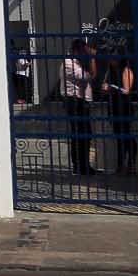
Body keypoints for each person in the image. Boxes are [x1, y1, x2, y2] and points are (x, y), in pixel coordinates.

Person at [100, 38, 138, 179]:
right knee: (119, 137)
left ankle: (131, 165)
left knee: (126, 137)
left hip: (124, 107)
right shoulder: (110, 72)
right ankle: (121, 165)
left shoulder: (126, 70)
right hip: (114, 106)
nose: (110, 60)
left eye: (113, 58)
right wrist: (105, 88)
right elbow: (103, 85)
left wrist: (112, 88)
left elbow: (127, 90)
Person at [60, 39, 98, 177]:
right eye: (84, 50)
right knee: (79, 134)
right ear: (77, 50)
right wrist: (92, 58)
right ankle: (79, 166)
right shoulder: (69, 63)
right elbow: (89, 76)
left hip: (81, 101)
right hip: (74, 101)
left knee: (85, 135)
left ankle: (84, 165)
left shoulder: (79, 62)